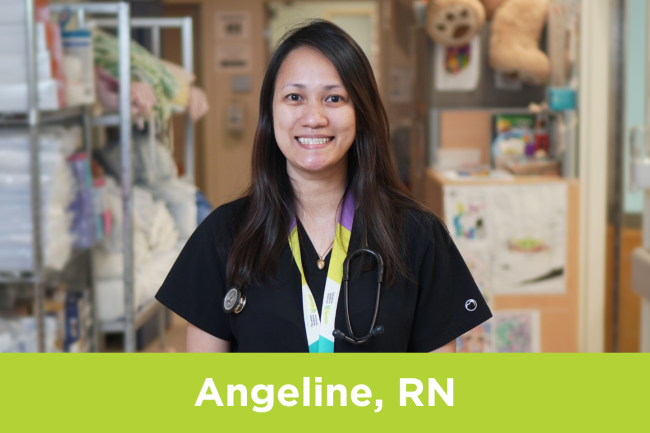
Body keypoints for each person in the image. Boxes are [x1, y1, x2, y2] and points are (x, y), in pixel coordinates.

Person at [156, 20, 491, 353]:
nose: (314, 117)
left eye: (334, 98)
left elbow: (437, 392)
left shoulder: (419, 236)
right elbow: (204, 392)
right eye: (294, 97)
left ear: (361, 112)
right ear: (270, 114)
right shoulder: (223, 235)